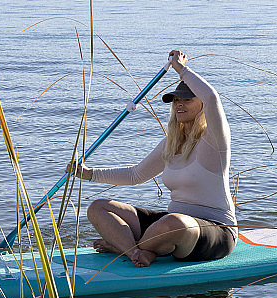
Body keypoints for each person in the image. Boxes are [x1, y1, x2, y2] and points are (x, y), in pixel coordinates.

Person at [68, 49, 236, 267]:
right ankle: (134, 251)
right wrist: (89, 174)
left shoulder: (214, 141)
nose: (179, 104)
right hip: (169, 225)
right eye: (176, 100)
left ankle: (123, 246)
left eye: (187, 99)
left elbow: (212, 97)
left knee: (173, 222)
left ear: (201, 105)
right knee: (98, 207)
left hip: (214, 230)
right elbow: (135, 175)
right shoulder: (170, 143)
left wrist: (181, 69)